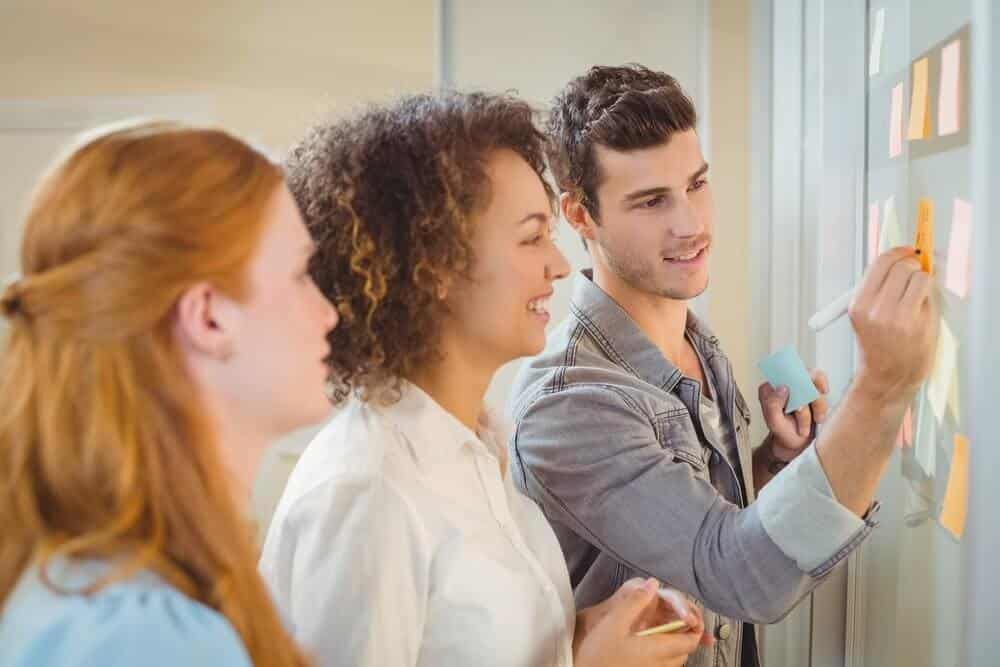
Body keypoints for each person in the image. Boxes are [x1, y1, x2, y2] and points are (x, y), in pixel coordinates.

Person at [507, 64, 939, 667]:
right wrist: (884, 386)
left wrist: (775, 465)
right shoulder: (569, 403)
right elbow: (739, 575)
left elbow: (704, 523)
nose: (692, 224)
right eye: (652, 201)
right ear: (580, 216)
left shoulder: (697, 341)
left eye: (697, 184)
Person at [260, 91, 709, 667]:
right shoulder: (368, 492)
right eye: (530, 238)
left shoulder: (478, 449)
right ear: (434, 265)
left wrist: (576, 636)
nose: (559, 263)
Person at [0, 121, 338, 666]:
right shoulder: (140, 637)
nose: (329, 313)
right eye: (302, 274)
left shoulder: (107, 593)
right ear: (207, 316)